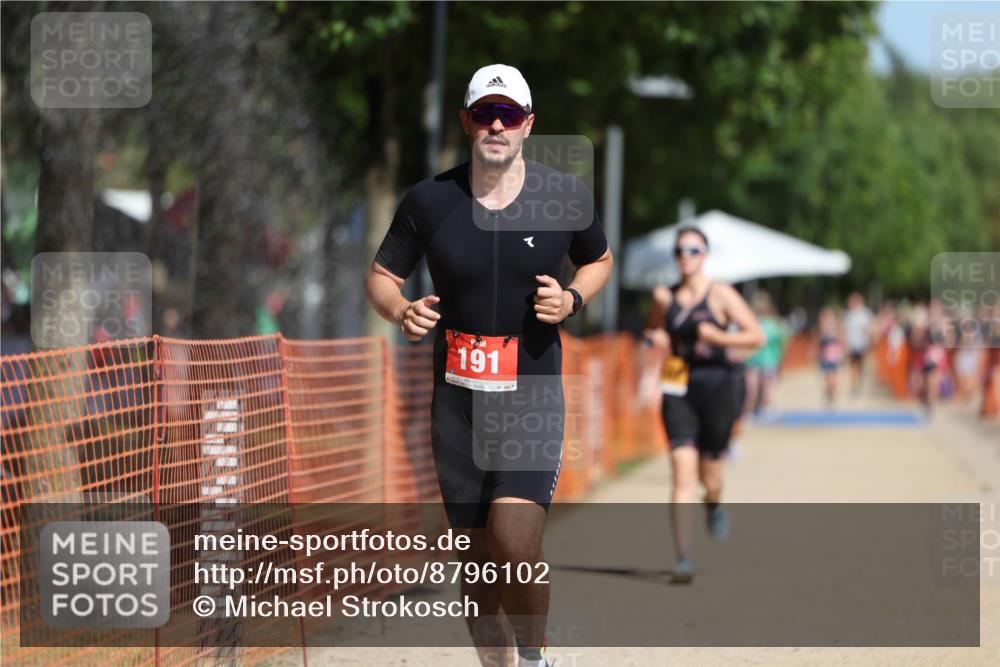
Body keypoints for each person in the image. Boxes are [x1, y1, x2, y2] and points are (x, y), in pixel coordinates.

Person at [365, 64, 612, 667]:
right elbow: (381, 277)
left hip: (531, 403)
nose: (496, 125)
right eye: (484, 113)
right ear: (466, 122)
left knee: (515, 546)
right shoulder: (429, 200)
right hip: (458, 411)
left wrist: (574, 299)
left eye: (508, 115)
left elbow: (599, 260)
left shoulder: (565, 197)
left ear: (529, 124)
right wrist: (400, 311)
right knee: (478, 579)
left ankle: (535, 656)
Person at [642, 226, 764, 584]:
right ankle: (683, 558)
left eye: (693, 250)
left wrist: (720, 337)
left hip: (718, 387)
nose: (686, 257)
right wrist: (658, 336)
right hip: (678, 386)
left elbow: (755, 335)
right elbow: (651, 329)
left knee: (710, 475)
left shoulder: (721, 294)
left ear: (705, 255)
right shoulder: (664, 297)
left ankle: (713, 502)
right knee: (681, 474)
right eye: (680, 250)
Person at [744, 290, 788, 417]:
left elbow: (781, 342)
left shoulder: (773, 325)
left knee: (767, 387)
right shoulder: (750, 323)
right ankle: (749, 410)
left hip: (769, 361)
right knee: (751, 388)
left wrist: (779, 359)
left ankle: (765, 408)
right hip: (753, 361)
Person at [843, 292, 874, 396]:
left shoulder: (864, 314)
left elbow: (868, 329)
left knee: (860, 366)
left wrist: (868, 344)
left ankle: (858, 385)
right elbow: (845, 331)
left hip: (861, 344)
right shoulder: (849, 315)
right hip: (852, 344)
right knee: (852, 366)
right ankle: (853, 386)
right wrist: (845, 344)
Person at [817, 307, 843, 406]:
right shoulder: (824, 328)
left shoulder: (834, 328)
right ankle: (830, 394)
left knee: (831, 376)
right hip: (826, 356)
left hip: (832, 356)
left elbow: (841, 340)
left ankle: (831, 394)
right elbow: (819, 343)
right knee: (828, 376)